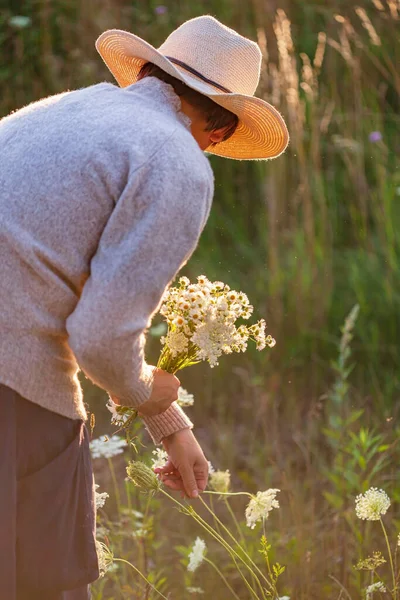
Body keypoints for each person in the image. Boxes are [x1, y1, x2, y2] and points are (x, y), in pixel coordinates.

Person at [0, 14, 289, 600]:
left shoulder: (58, 110)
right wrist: (145, 391)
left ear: (152, 73)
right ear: (224, 125)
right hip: (17, 396)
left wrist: (166, 422)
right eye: (223, 139)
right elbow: (102, 337)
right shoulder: (175, 158)